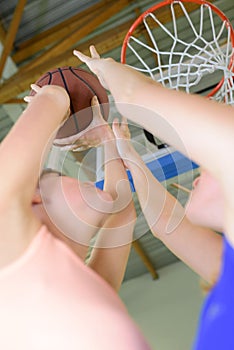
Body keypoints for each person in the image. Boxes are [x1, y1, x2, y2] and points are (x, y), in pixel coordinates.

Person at [71, 45, 234, 350]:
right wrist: (124, 149)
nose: (198, 175)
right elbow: (165, 224)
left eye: (213, 166)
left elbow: (133, 94)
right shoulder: (228, 270)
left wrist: (106, 70)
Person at [0, 83, 151, 350]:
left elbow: (121, 210)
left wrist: (104, 136)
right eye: (61, 175)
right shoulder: (93, 284)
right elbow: (122, 211)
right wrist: (54, 95)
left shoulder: (21, 263)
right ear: (31, 197)